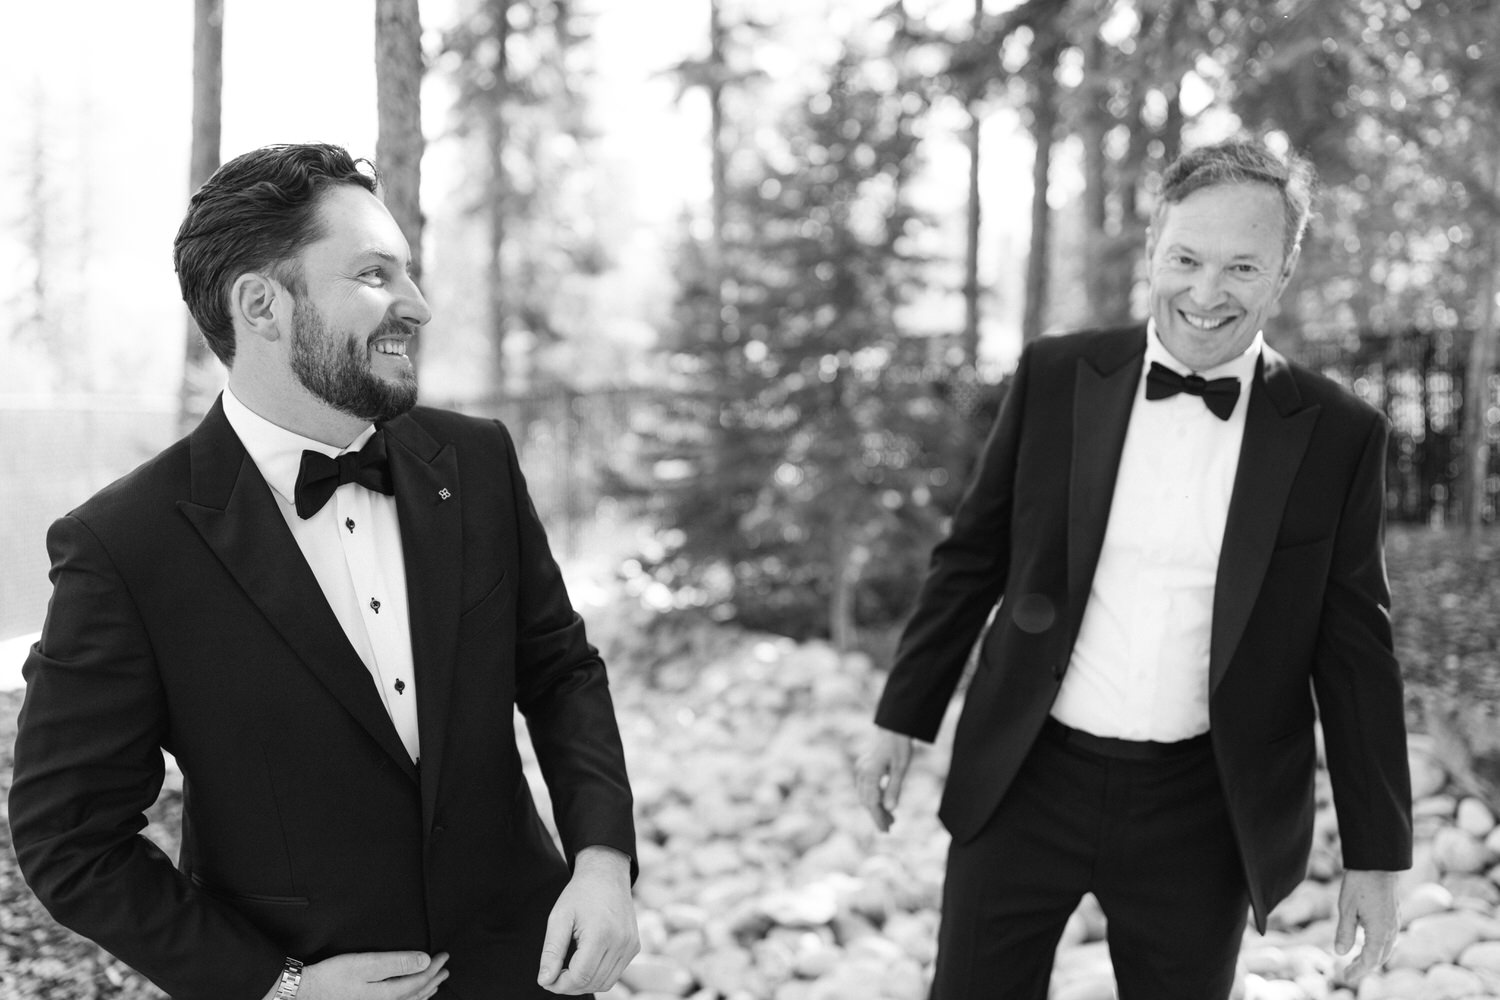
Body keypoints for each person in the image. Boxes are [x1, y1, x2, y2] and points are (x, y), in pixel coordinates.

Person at [9, 143, 639, 1000]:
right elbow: (69, 838)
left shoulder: (478, 460)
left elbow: (561, 670)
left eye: (409, 273)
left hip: (526, 967)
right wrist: (278, 986)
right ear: (262, 304)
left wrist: (602, 863)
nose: (416, 305)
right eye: (375, 275)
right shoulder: (125, 546)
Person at [855, 138, 1412, 1000]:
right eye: (1186, 258)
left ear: (1284, 273)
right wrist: (903, 717)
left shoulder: (1340, 436)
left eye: (1241, 268)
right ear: (1154, 243)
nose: (1205, 291)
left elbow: (1356, 655)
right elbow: (972, 557)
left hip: (1204, 804)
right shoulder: (1055, 374)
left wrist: (1378, 856)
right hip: (1025, 774)